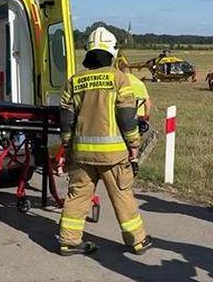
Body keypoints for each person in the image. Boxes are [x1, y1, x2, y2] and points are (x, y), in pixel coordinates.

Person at [58, 27, 152, 256]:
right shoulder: (119, 79)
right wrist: (134, 145)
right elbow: (127, 117)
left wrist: (68, 147)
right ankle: (137, 241)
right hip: (114, 155)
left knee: (77, 196)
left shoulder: (74, 81)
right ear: (112, 52)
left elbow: (66, 119)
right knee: (122, 195)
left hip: (81, 154)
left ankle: (69, 241)